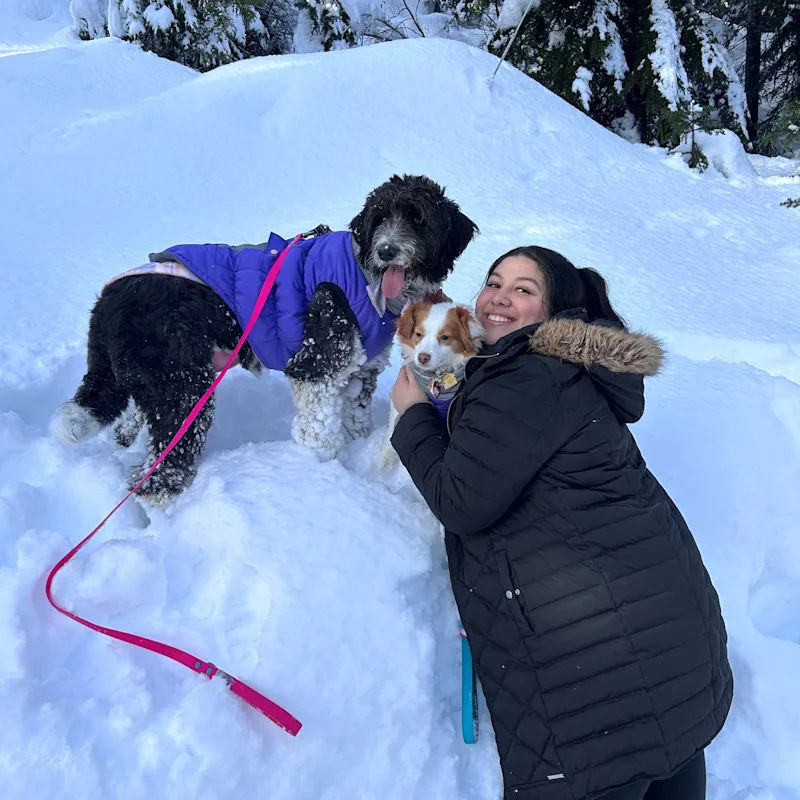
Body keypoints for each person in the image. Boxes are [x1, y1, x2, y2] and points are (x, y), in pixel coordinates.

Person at [390, 246, 732, 800]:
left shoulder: (522, 378)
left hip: (600, 666)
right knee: (670, 760)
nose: (499, 297)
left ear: (553, 313)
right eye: (494, 281)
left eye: (524, 290)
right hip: (673, 636)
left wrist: (410, 418)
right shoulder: (567, 368)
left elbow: (460, 499)